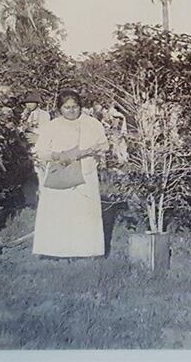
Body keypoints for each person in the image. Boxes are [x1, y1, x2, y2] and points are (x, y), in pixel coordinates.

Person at [32, 89, 109, 259]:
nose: (72, 111)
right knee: (60, 212)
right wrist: (58, 156)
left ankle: (86, 251)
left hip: (86, 174)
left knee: (84, 213)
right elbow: (40, 152)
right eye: (67, 108)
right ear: (59, 109)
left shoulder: (92, 124)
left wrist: (89, 150)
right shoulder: (52, 126)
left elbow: (104, 145)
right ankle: (56, 251)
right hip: (60, 174)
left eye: (75, 107)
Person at [18, 90, 51, 207]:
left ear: (37, 103)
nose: (29, 105)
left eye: (32, 102)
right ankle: (31, 200)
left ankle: (44, 199)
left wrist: (36, 134)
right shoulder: (23, 115)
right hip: (26, 147)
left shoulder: (44, 115)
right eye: (27, 102)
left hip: (39, 146)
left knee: (41, 173)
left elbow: (47, 132)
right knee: (28, 174)